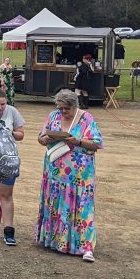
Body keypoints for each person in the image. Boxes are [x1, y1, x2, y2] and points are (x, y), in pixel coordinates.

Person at [35, 89, 103, 263]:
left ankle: (85, 246)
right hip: (55, 172)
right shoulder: (53, 116)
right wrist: (47, 139)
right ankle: (55, 241)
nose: (63, 112)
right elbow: (41, 138)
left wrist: (78, 141)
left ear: (75, 105)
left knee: (81, 208)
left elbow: (97, 143)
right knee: (56, 203)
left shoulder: (86, 118)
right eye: (60, 108)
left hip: (79, 176)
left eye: (66, 108)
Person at [0, 88, 26, 246]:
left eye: (3, 104)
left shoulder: (12, 111)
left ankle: (9, 230)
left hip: (7, 160)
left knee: (6, 195)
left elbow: (21, 134)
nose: (1, 107)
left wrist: (10, 133)